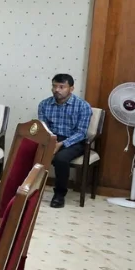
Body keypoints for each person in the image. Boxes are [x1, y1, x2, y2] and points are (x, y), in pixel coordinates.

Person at [37, 73, 93, 208]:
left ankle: (59, 195)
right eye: (54, 86)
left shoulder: (83, 106)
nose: (57, 90)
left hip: (74, 141)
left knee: (61, 159)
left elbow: (81, 133)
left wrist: (61, 144)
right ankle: (25, 189)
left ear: (71, 89)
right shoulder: (44, 104)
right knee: (28, 150)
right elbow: (44, 128)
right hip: (52, 138)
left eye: (62, 87)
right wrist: (51, 142)